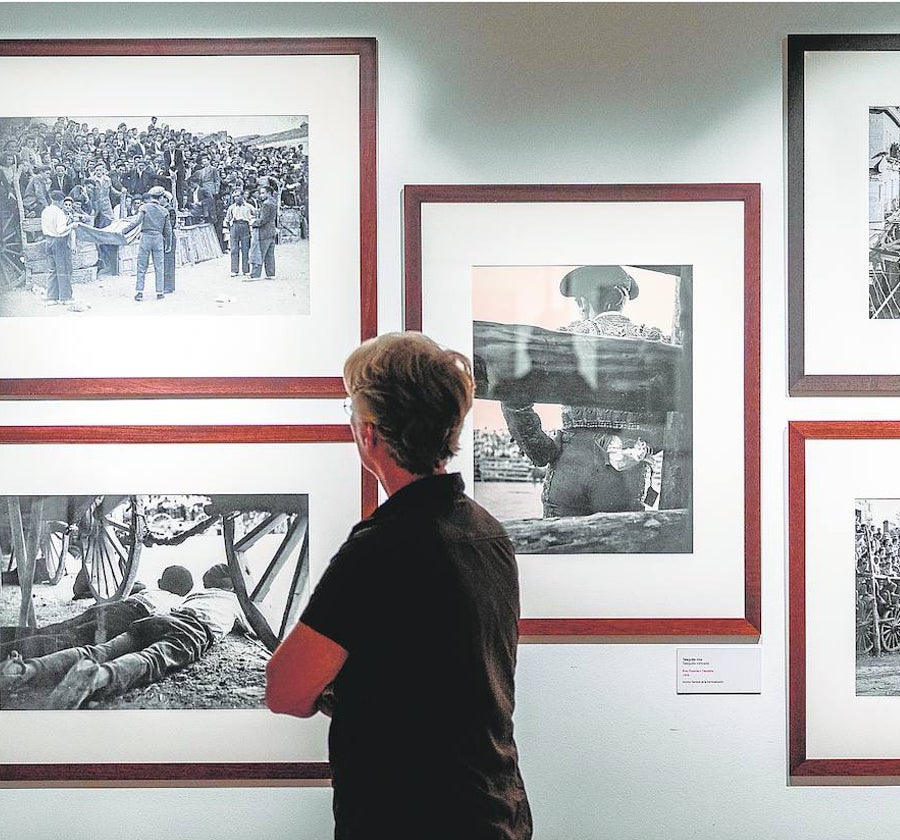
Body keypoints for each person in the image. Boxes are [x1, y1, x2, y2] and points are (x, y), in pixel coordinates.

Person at [266, 332, 532, 840]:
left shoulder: (381, 547)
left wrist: (338, 689)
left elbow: (285, 689)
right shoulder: (486, 532)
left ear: (369, 433)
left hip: (409, 817)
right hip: (495, 811)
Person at [500, 265, 675, 517]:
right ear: (621, 300)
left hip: (570, 463)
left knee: (558, 547)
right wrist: (645, 445)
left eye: (580, 301)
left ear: (584, 301)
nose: (580, 308)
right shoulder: (655, 340)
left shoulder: (566, 336)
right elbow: (675, 410)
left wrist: (541, 449)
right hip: (626, 473)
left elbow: (513, 390)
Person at [0, 564, 249, 710]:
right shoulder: (238, 602)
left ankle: (26, 669)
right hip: (193, 630)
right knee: (151, 660)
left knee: (97, 651)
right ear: (235, 586)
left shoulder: (194, 597)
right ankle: (98, 677)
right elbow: (253, 627)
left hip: (156, 619)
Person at [0, 565, 193, 659]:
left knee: (51, 630)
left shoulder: (149, 590)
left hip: (110, 607)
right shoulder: (176, 604)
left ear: (160, 583)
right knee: (62, 642)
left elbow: (129, 587)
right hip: (127, 618)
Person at [133, 185, 171, 301]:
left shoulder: (144, 207)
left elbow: (136, 222)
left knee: (141, 265)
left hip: (146, 237)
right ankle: (159, 292)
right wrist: (168, 244)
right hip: (158, 238)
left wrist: (123, 231)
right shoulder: (164, 210)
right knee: (159, 266)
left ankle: (139, 292)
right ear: (160, 197)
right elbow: (168, 230)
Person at [40, 190, 78, 304]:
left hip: (48, 240)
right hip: (59, 241)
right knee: (63, 269)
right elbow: (60, 230)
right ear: (60, 201)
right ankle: (65, 298)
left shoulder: (45, 211)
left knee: (52, 270)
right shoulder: (59, 213)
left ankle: (52, 297)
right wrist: (72, 225)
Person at [248, 183, 278, 280]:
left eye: (263, 193)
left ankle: (255, 275)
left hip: (264, 232)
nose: (261, 195)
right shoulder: (274, 202)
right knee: (270, 255)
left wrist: (253, 222)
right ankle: (271, 274)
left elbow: (263, 220)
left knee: (259, 252)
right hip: (271, 231)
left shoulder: (266, 204)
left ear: (269, 193)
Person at [224, 190, 255, 277]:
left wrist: (251, 226)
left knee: (245, 249)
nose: (236, 198)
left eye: (238, 196)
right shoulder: (231, 207)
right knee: (234, 249)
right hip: (235, 225)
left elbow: (255, 216)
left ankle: (246, 270)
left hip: (245, 226)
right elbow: (227, 219)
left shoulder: (249, 207)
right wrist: (230, 229)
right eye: (234, 197)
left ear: (242, 196)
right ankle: (234, 270)